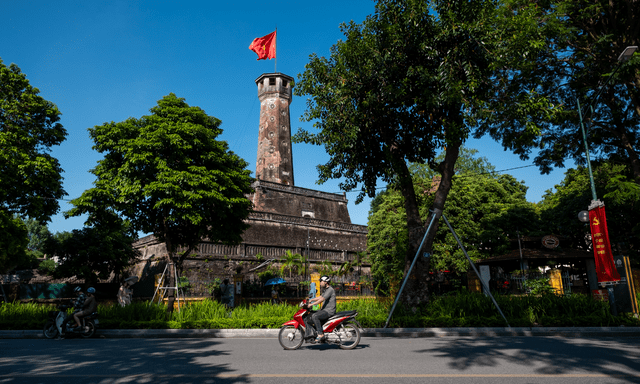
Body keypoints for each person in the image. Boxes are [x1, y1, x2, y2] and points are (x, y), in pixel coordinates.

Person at [306, 275, 336, 342]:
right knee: (312, 314)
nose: (320, 283)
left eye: (321, 281)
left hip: (329, 311)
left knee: (315, 316)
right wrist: (311, 300)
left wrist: (312, 304)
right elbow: (320, 297)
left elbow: (321, 299)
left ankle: (320, 334)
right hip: (325, 310)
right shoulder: (326, 290)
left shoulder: (330, 290)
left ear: (325, 282)